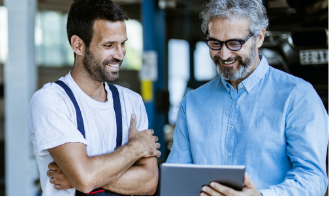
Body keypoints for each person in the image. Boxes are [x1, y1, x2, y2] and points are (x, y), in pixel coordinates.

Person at [166, 0, 329, 196]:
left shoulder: (298, 97)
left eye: (235, 43)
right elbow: (177, 180)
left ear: (259, 37)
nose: (224, 54)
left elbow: (313, 177)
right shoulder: (192, 103)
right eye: (215, 43)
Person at [29, 0, 160, 196]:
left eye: (122, 44)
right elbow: (84, 177)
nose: (120, 54)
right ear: (78, 45)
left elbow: (149, 182)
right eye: (109, 45)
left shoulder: (131, 102)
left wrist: (82, 177)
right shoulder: (51, 100)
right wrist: (135, 148)